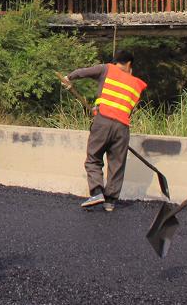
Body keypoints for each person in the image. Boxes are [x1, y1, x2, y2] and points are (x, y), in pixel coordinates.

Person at [62, 50, 147, 212]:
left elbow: (83, 72)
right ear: (129, 64)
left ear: (117, 62)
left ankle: (96, 192)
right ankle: (110, 201)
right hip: (122, 128)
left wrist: (69, 78)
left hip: (103, 122)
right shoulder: (137, 84)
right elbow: (127, 108)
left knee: (93, 158)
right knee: (117, 163)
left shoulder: (106, 69)